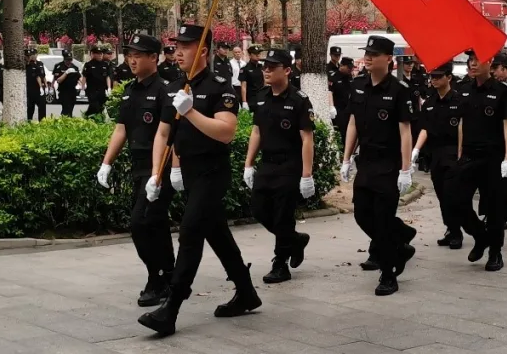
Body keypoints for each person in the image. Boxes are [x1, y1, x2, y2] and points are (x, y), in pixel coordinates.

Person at [138, 25, 260, 336]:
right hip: (189, 172)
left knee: (190, 232)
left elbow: (226, 132)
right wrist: (157, 173)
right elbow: (163, 133)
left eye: (186, 46)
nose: (178, 52)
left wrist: (190, 111)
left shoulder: (221, 87)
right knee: (217, 234)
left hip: (212, 172)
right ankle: (246, 292)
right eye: (176, 46)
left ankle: (171, 308)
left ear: (203, 50)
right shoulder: (174, 87)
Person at [96, 33, 177, 306]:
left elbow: (169, 135)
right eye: (130, 55)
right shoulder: (130, 90)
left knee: (140, 223)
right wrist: (106, 162)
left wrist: (160, 173)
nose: (132, 60)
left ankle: (157, 278)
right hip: (138, 166)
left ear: (154, 58)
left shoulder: (165, 90)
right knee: (155, 223)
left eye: (138, 55)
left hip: (160, 167)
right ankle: (168, 274)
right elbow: (121, 128)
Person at [340, 35, 416, 295]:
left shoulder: (399, 90)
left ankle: (388, 274)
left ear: (388, 59)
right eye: (367, 53)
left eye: (374, 54)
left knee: (382, 221)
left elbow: (405, 131)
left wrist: (405, 169)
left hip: (388, 164)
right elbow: (353, 123)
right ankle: (400, 243)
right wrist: (346, 158)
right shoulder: (358, 85)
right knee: (362, 215)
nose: (368, 58)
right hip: (366, 162)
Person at [243, 49, 315, 284]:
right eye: (265, 66)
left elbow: (307, 138)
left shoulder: (298, 100)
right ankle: (295, 240)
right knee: (259, 209)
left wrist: (306, 175)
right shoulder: (261, 96)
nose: (266, 71)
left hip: (289, 165)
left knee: (283, 216)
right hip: (267, 163)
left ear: (287, 70)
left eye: (272, 67)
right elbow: (256, 131)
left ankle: (280, 263)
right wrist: (248, 164)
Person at [451, 49, 507, 272]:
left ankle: (495, 252)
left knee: (495, 208)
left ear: (490, 62)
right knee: (456, 201)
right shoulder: (464, 90)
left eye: (477, 59)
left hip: (493, 157)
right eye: (470, 60)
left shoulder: (502, 91)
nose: (473, 64)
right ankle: (480, 236)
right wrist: (459, 153)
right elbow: (461, 123)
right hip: (469, 155)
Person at [412, 62, 463, 249]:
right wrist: (416, 150)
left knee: (451, 194)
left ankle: (456, 232)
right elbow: (425, 128)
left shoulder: (458, 100)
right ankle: (450, 228)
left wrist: (461, 154)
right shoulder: (430, 103)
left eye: (438, 77)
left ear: (448, 77)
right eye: (432, 77)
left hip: (453, 153)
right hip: (435, 154)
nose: (434, 80)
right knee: (441, 195)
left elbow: (462, 129)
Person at [330, 57, 354, 148]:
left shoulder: (350, 76)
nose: (350, 69)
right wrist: (331, 106)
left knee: (347, 133)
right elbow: (330, 92)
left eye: (351, 67)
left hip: (348, 110)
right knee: (339, 133)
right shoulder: (334, 77)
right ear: (342, 66)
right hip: (337, 110)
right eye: (349, 67)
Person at [81, 46, 111, 118]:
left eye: (101, 53)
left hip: (102, 89)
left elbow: (107, 77)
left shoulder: (105, 64)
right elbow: (84, 77)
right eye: (98, 53)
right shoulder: (88, 64)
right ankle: (89, 116)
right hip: (92, 90)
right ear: (93, 54)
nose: (100, 55)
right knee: (94, 105)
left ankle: (91, 117)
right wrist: (82, 89)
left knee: (101, 107)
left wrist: (109, 88)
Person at [51, 50, 80, 117]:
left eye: (70, 60)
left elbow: (79, 78)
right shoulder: (58, 66)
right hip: (63, 90)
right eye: (67, 60)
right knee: (66, 108)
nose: (69, 62)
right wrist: (66, 73)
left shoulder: (75, 67)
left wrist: (82, 87)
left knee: (70, 109)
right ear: (64, 59)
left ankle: (69, 120)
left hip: (72, 91)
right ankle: (64, 120)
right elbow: (58, 80)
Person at [238, 45, 264, 112]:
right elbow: (243, 86)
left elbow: (265, 82)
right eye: (255, 53)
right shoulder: (245, 69)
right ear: (249, 55)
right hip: (251, 98)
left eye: (259, 53)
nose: (258, 55)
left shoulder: (262, 67)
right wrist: (244, 101)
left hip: (262, 96)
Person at [25, 48, 49, 121]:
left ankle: (42, 122)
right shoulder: (27, 65)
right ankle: (29, 121)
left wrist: (46, 86)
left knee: (42, 106)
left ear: (37, 54)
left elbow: (42, 76)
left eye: (34, 54)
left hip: (39, 89)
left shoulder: (40, 64)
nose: (32, 56)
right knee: (30, 107)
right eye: (31, 55)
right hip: (30, 88)